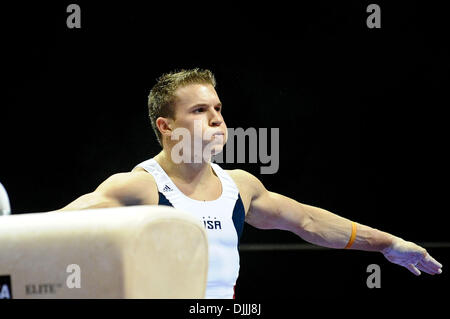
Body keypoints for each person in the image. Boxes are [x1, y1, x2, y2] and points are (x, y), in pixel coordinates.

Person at [59, 68, 443, 299]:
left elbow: (310, 222)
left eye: (218, 109)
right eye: (198, 110)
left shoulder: (239, 187)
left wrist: (388, 244)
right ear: (166, 126)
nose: (215, 118)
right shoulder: (138, 188)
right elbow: (50, 230)